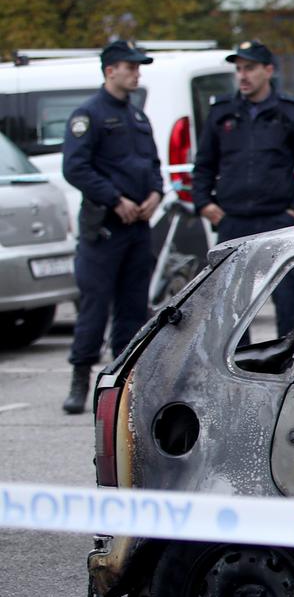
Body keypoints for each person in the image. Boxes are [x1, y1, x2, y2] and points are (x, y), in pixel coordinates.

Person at [190, 40, 294, 337]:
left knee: (286, 299)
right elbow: (203, 166)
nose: (243, 76)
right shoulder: (222, 112)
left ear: (268, 70)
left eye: (249, 68)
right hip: (233, 221)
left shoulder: (290, 112)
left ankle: (285, 368)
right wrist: (206, 206)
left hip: (278, 221)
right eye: (238, 69)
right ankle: (236, 370)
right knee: (233, 307)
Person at [59, 41, 164, 414]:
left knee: (134, 309)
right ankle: (80, 377)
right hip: (104, 228)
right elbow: (75, 167)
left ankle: (121, 385)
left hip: (137, 228)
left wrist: (155, 194)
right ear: (110, 71)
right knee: (94, 307)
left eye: (138, 67)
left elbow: (152, 164)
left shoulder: (137, 117)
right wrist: (115, 199)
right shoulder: (89, 115)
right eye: (130, 67)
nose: (136, 73)